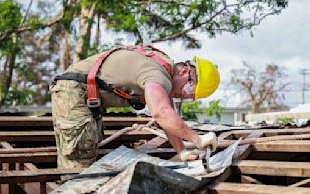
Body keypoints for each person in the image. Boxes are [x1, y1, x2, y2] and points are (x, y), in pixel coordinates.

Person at [50, 45, 220, 168]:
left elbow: (167, 118)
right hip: (73, 91)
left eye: (190, 97)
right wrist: (197, 139)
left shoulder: (164, 68)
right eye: (189, 89)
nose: (184, 95)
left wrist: (181, 151)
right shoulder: (156, 74)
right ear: (184, 71)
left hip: (84, 95)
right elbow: (161, 112)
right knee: (78, 162)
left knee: (88, 151)